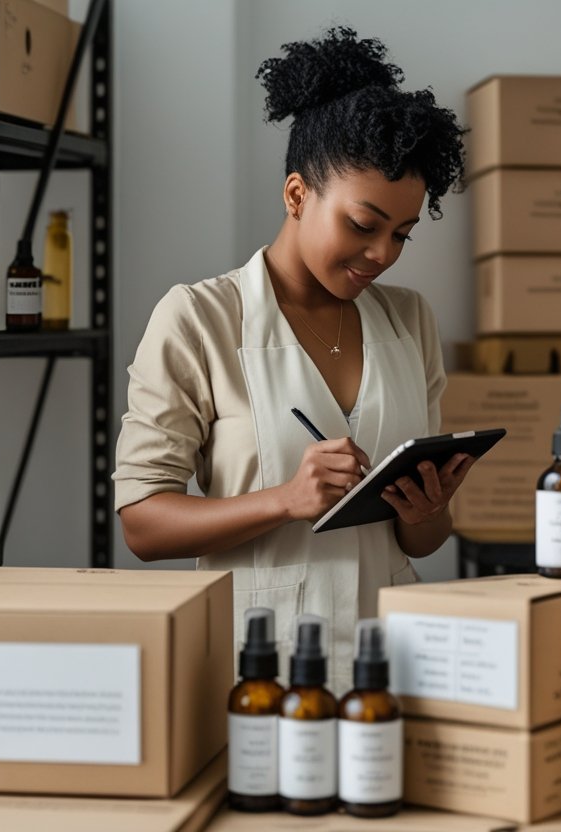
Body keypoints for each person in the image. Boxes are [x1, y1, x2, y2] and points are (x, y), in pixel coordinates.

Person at [114, 27, 472, 692]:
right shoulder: (199, 319)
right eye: (363, 226)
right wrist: (284, 500)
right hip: (259, 665)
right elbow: (143, 522)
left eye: (402, 234)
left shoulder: (408, 320)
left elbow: (424, 543)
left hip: (387, 665)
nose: (383, 255)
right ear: (297, 195)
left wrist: (426, 512)